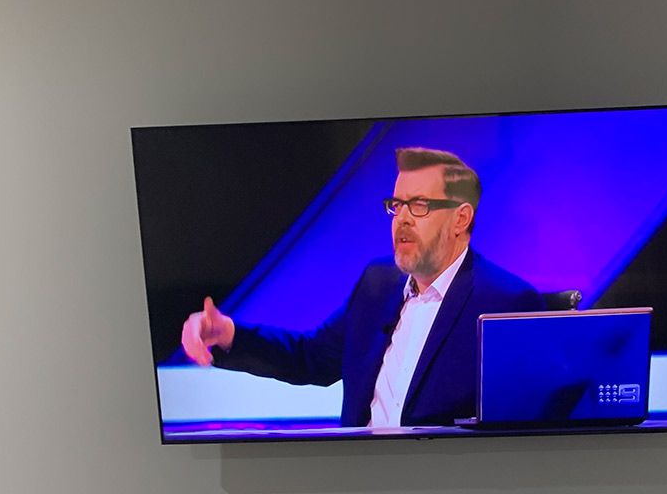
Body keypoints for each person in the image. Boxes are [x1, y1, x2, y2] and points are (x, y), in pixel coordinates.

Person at [180, 147, 542, 427]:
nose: (401, 219)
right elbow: (312, 359)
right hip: (358, 479)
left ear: (460, 218)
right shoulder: (378, 284)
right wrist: (228, 333)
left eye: (418, 206)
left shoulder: (504, 302)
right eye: (396, 205)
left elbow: (522, 421)